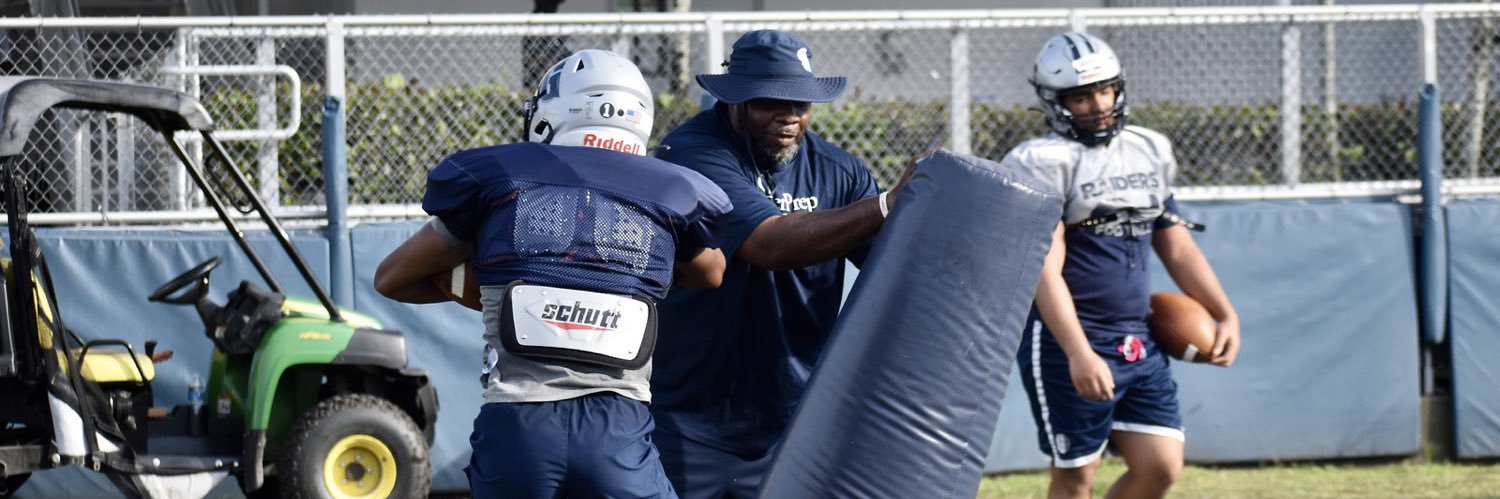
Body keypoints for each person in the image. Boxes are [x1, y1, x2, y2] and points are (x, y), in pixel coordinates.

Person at [373, 49, 731, 498]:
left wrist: (482, 289)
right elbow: (713, 272)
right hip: (616, 430)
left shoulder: (502, 182)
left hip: (518, 426)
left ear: (552, 113)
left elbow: (391, 278)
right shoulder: (666, 194)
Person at [648, 29, 914, 498]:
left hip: (790, 418)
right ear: (736, 99)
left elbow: (891, 267)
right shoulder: (692, 153)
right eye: (772, 101)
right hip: (688, 415)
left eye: (802, 104)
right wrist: (886, 204)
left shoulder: (841, 171)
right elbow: (770, 246)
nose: (790, 117)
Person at [1002, 32, 1241, 499]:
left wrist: (1224, 311)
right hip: (1070, 337)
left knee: (1161, 465)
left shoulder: (1147, 149)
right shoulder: (1042, 161)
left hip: (1138, 335)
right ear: (1056, 102)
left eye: (1105, 90)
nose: (1097, 104)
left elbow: (1176, 245)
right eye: (1081, 95)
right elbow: (1043, 267)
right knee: (1076, 477)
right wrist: (1078, 351)